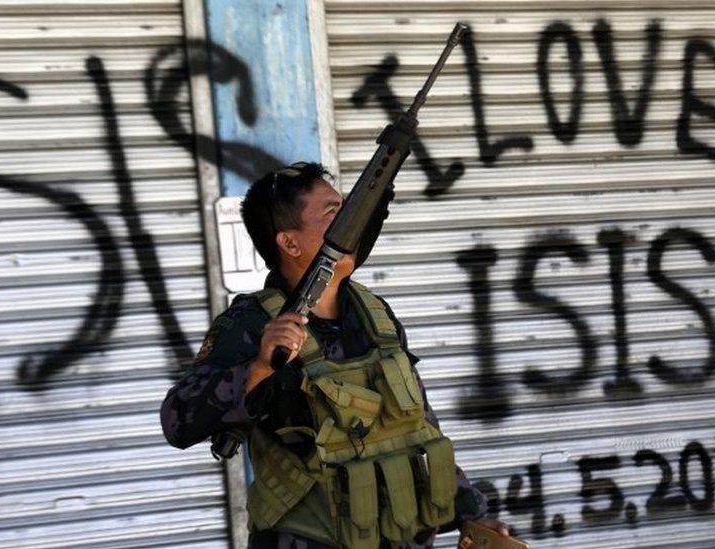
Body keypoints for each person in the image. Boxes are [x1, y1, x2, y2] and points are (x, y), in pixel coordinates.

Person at [161, 162, 509, 548]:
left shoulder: (373, 314)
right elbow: (178, 421)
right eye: (333, 212)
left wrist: (470, 516)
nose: (352, 219)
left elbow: (416, 426)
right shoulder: (251, 324)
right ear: (290, 243)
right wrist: (259, 367)